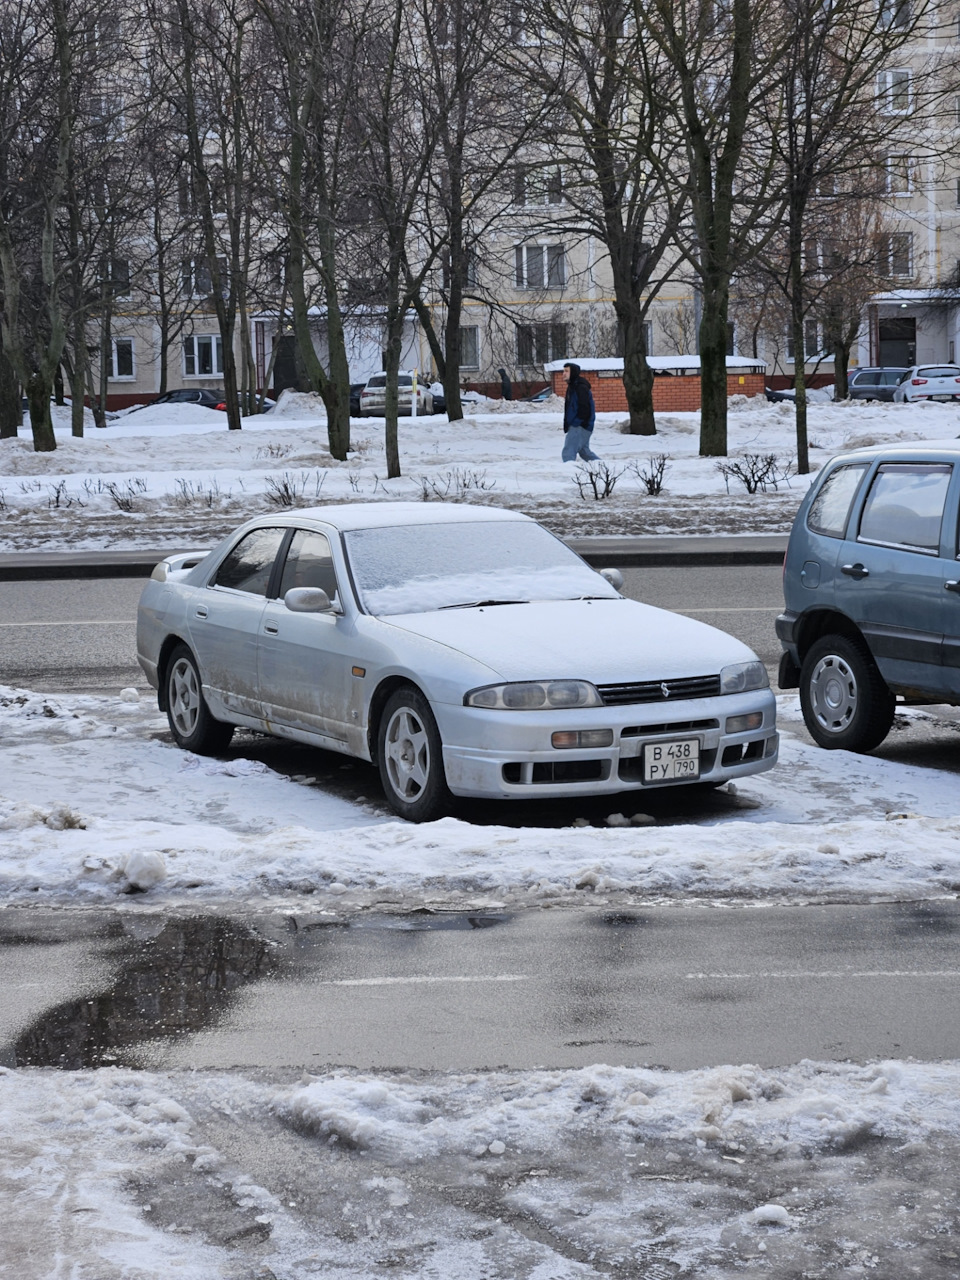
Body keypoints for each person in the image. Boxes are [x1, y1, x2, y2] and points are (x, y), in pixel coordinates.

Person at [561, 362, 600, 462]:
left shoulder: (580, 387)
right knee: (585, 452)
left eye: (566, 371)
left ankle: (568, 473)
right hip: (580, 425)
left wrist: (577, 422)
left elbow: (585, 407)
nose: (563, 374)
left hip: (580, 425)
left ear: (573, 373)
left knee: (568, 452)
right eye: (563, 371)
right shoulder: (573, 387)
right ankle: (603, 467)